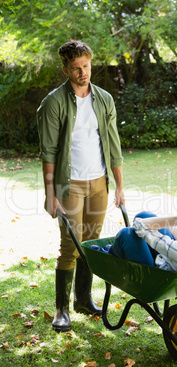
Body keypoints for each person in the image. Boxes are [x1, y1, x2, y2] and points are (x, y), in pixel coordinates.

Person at [37, 40, 125, 332]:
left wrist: (120, 186)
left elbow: (113, 144)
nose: (82, 72)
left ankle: (83, 300)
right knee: (70, 246)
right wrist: (51, 194)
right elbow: (48, 151)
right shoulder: (53, 103)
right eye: (75, 68)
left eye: (86, 66)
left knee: (90, 243)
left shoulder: (104, 99)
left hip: (99, 183)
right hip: (70, 185)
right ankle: (61, 309)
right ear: (65, 70)